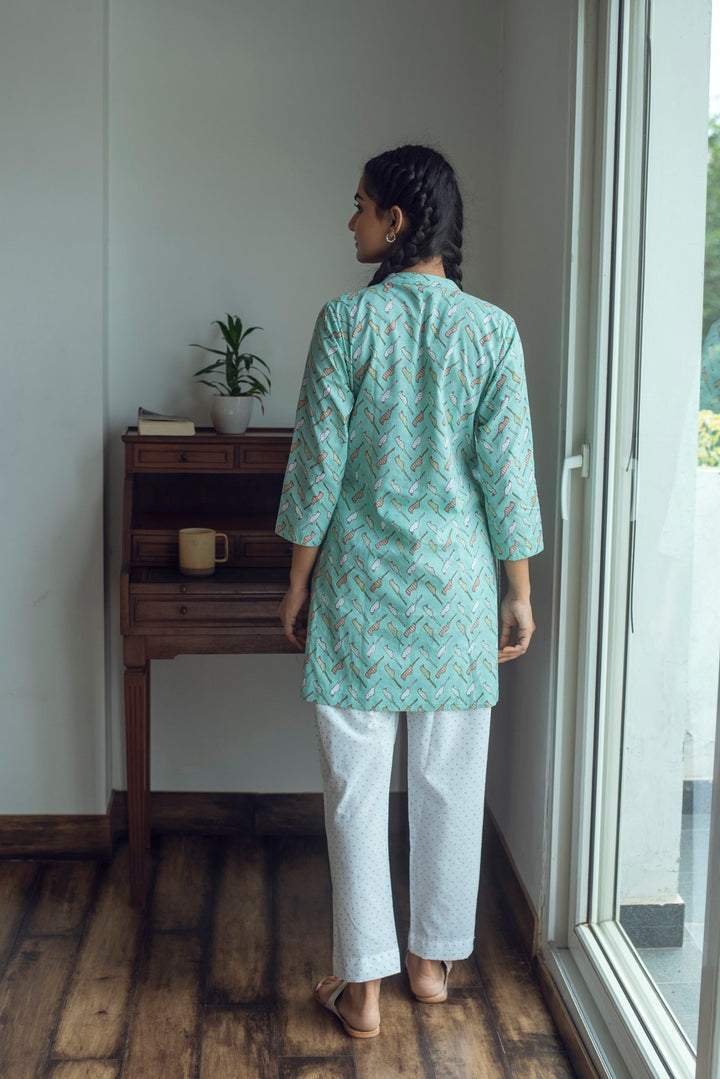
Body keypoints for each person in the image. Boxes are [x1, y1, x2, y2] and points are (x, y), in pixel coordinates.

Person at [275, 144, 543, 1039]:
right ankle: (430, 965)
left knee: (355, 791)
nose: (349, 218)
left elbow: (317, 468)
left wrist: (296, 581)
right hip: (457, 594)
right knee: (450, 784)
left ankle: (363, 990)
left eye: (359, 204)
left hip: (361, 588)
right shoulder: (492, 332)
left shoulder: (348, 323)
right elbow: (508, 477)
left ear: (395, 223)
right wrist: (518, 591)